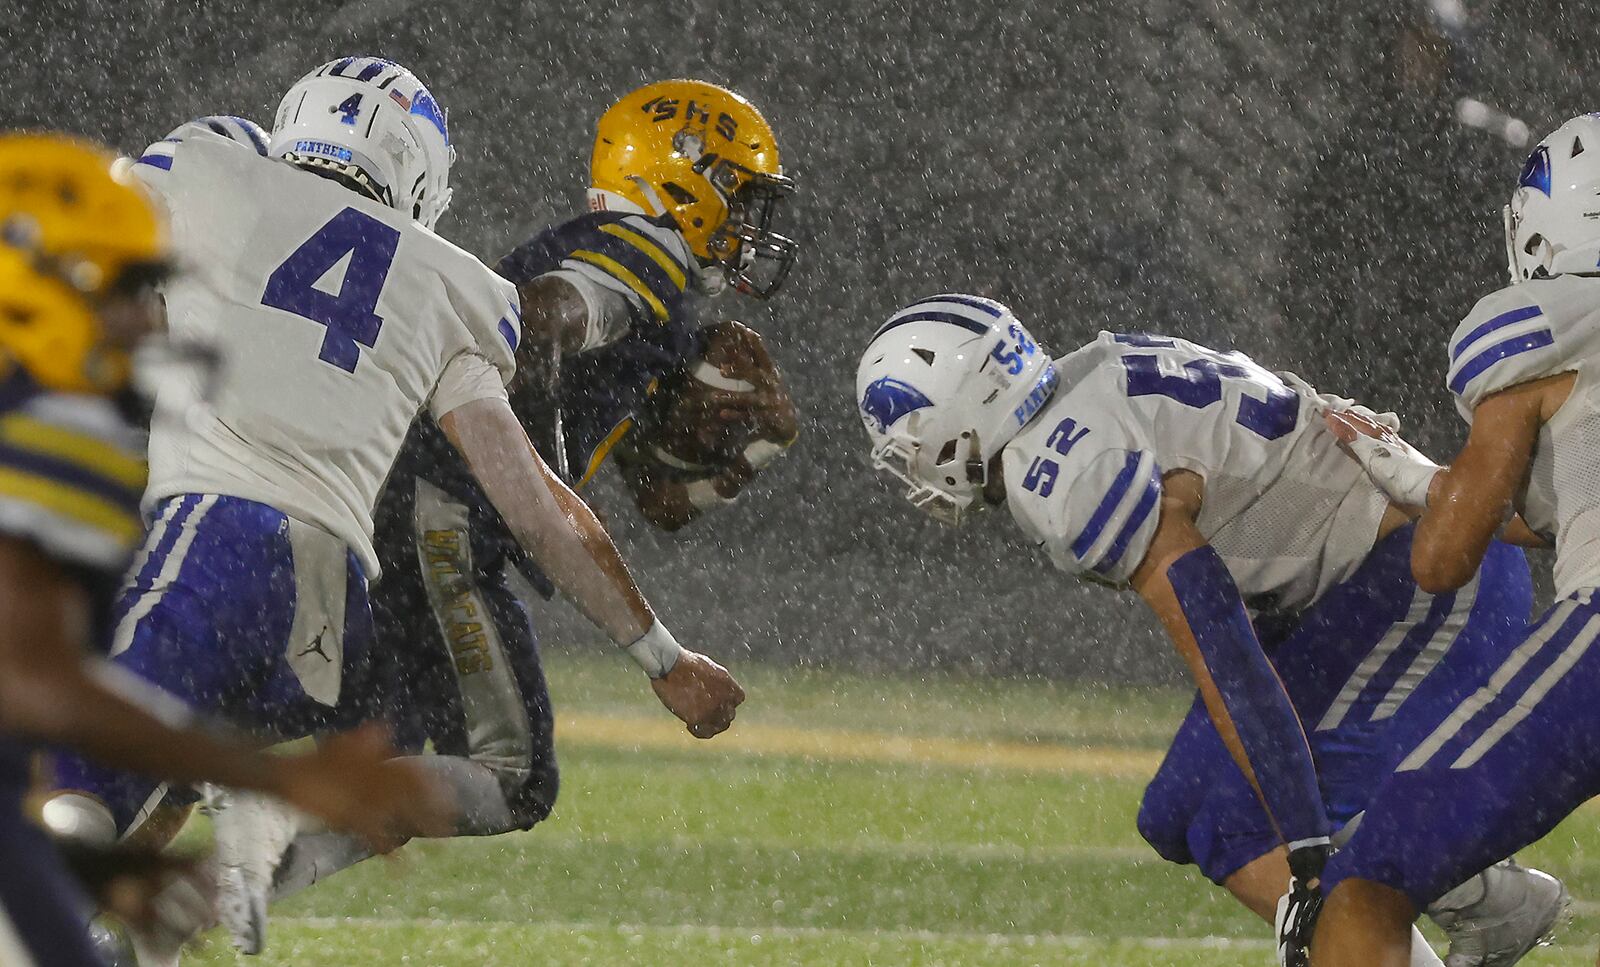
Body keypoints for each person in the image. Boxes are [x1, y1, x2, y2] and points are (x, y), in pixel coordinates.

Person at [39, 56, 744, 956]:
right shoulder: (453, 285)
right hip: (333, 603)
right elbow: (538, 508)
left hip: (215, 539)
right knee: (177, 765)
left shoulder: (212, 170)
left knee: (69, 781)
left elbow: (65, 240)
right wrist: (662, 656)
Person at [212, 78, 800, 951]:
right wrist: (546, 472)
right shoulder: (642, 250)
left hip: (389, 495)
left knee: (376, 765)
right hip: (443, 509)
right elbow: (541, 319)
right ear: (683, 177)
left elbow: (659, 498)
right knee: (512, 778)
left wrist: (720, 463)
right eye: (741, 193)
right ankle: (246, 814)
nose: (753, 222)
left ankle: (173, 909)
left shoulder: (652, 292)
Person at [854, 294, 1562, 966]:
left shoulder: (1064, 471)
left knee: (1248, 821)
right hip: (1378, 583)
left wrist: (1309, 850)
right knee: (1180, 809)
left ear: (951, 415)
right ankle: (1488, 901)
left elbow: (1223, 645)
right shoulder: (1083, 385)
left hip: (1435, 579)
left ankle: (1422, 922)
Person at [0, 132, 450, 967]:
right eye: (127, 287)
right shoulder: (40, 422)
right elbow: (35, 685)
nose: (145, 317)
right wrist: (279, 784)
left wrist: (105, 864)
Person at [1298, 113, 1600, 967]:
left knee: (1365, 882)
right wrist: (1422, 473)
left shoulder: (1540, 328)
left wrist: (1414, 483)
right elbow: (1553, 506)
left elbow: (1444, 559)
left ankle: (1503, 910)